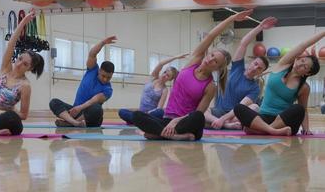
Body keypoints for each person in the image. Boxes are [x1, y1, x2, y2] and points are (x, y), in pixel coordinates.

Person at [131, 10, 253, 141]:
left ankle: (160, 134)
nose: (210, 60)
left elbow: (199, 113)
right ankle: (174, 136)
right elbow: (211, 36)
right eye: (212, 55)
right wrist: (232, 18)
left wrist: (175, 121)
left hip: (186, 123)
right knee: (137, 116)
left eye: (215, 61)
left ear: (217, 69)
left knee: (198, 117)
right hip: (168, 120)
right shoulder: (193, 62)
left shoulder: (210, 86)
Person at [234, 31, 322, 136]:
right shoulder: (283, 64)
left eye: (305, 66)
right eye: (302, 60)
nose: (300, 64)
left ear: (307, 73)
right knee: (238, 108)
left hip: (284, 122)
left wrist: (306, 129)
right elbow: (303, 45)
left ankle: (263, 130)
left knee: (299, 109)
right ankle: (271, 131)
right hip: (263, 118)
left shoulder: (304, 87)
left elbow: (304, 110)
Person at [204, 17, 275, 130]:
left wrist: (224, 119)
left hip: (234, 116)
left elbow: (241, 107)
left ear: (261, 72)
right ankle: (226, 125)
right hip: (218, 112)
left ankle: (221, 123)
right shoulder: (237, 67)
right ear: (252, 62)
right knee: (201, 110)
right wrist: (260, 27)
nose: (255, 67)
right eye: (255, 63)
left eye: (259, 68)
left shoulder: (255, 88)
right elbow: (243, 43)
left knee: (255, 107)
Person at [49, 36, 116, 127]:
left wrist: (79, 108)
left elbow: (94, 100)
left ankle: (70, 122)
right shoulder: (92, 70)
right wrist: (103, 42)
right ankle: (75, 123)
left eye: (109, 77)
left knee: (96, 108)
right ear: (99, 70)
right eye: (103, 76)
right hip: (76, 111)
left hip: (90, 116)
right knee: (54, 102)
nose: (105, 79)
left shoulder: (108, 89)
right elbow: (92, 54)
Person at [0, 9, 45, 121]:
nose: (19, 64)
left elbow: (23, 115)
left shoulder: (25, 85)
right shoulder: (6, 69)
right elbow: (11, 43)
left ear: (30, 68)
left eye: (25, 64)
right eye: (19, 59)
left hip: (6, 119)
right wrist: (24, 21)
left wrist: (1, 112)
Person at [118, 54, 188, 124]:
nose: (164, 75)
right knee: (122, 111)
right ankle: (140, 120)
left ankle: (138, 120)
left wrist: (147, 113)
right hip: (141, 112)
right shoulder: (153, 77)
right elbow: (161, 64)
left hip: (150, 114)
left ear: (169, 79)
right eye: (165, 72)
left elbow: (159, 108)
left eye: (168, 76)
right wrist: (175, 57)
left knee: (160, 112)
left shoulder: (164, 90)